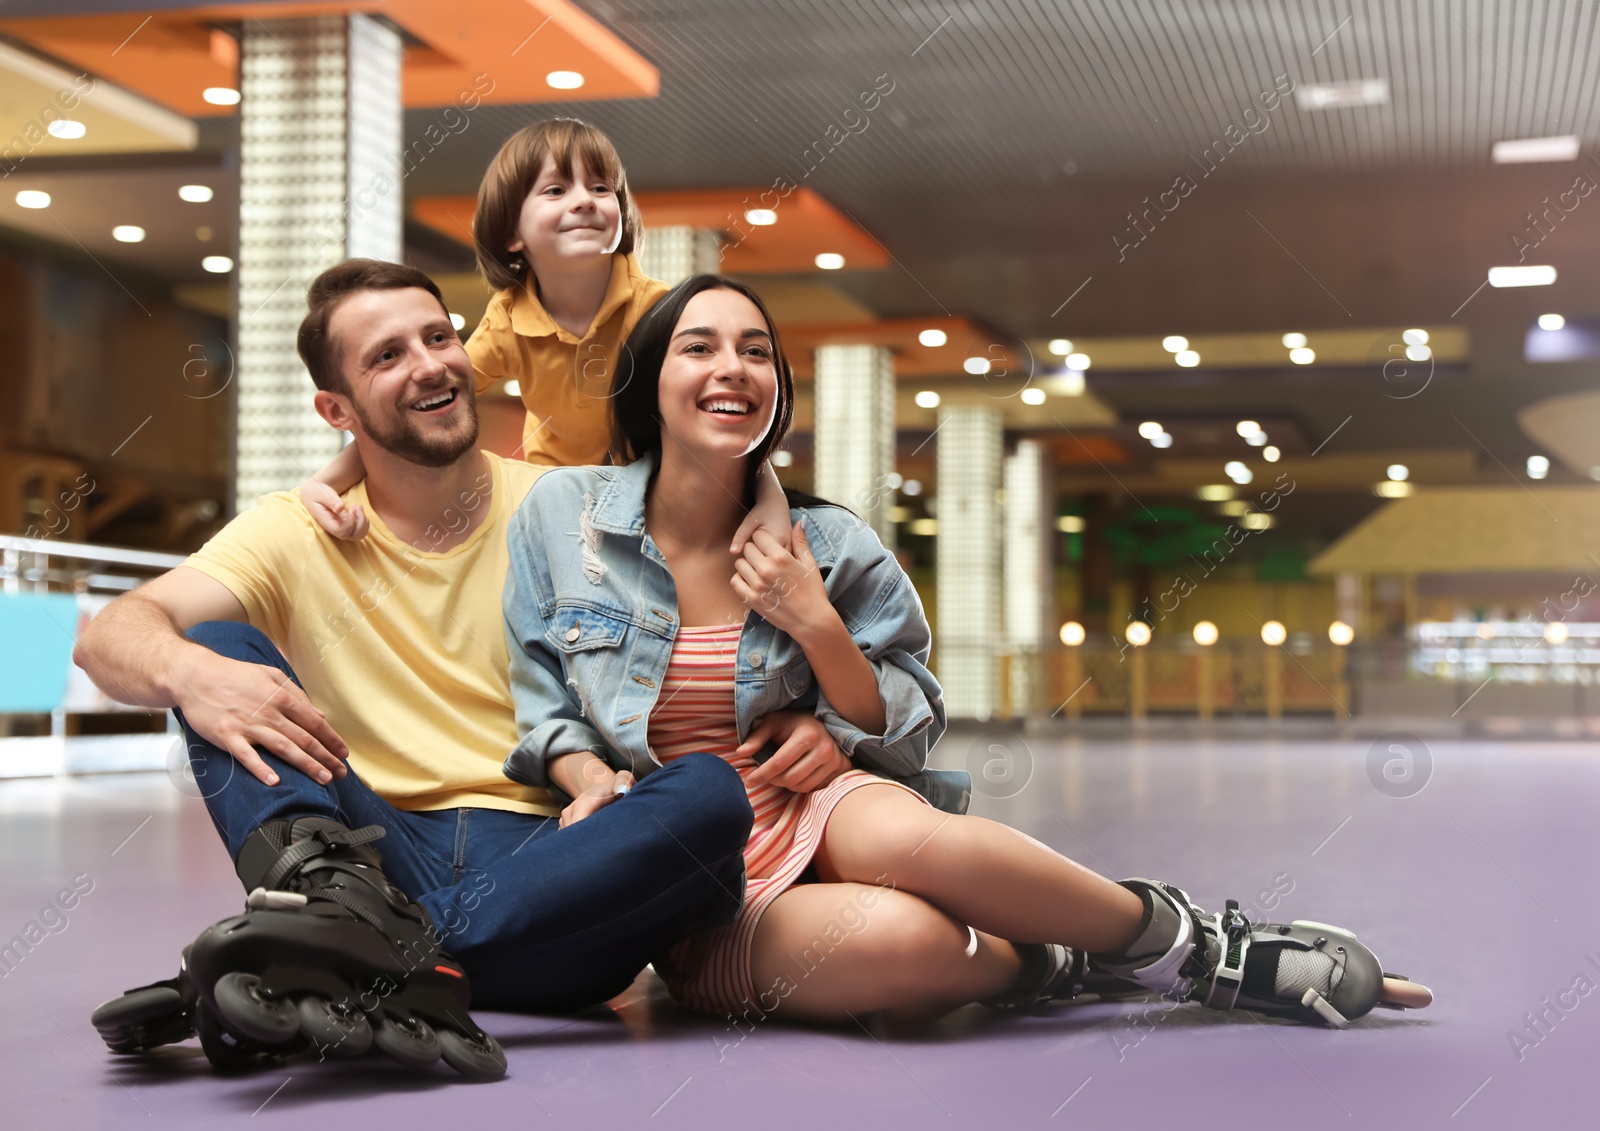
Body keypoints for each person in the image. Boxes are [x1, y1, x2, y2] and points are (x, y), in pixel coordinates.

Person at [501, 274, 1435, 1028]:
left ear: (778, 390)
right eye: (698, 346)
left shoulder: (830, 543)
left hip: (818, 803)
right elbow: (543, 695)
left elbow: (902, 717)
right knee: (906, 948)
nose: (731, 367)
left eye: (756, 351)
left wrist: (816, 629)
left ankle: (1197, 946)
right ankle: (1048, 958)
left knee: (906, 833)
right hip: (696, 866)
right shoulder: (564, 515)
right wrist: (585, 776)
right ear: (649, 381)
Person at [74, 259, 754, 1078]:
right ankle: (364, 946)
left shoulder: (568, 505)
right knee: (213, 647)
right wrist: (189, 675)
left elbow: (729, 559)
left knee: (711, 793)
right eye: (387, 355)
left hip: (550, 862)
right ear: (337, 409)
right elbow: (110, 633)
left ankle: (325, 958)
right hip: (368, 851)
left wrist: (804, 719)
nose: (430, 363)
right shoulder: (294, 529)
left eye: (438, 337)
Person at [296, 117, 791, 554]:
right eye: (556, 191)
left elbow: (724, 415)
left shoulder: (659, 309)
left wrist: (770, 497)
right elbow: (426, 404)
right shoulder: (509, 318)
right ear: (512, 234)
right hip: (555, 495)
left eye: (602, 189)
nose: (585, 202)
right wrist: (325, 482)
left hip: (650, 492)